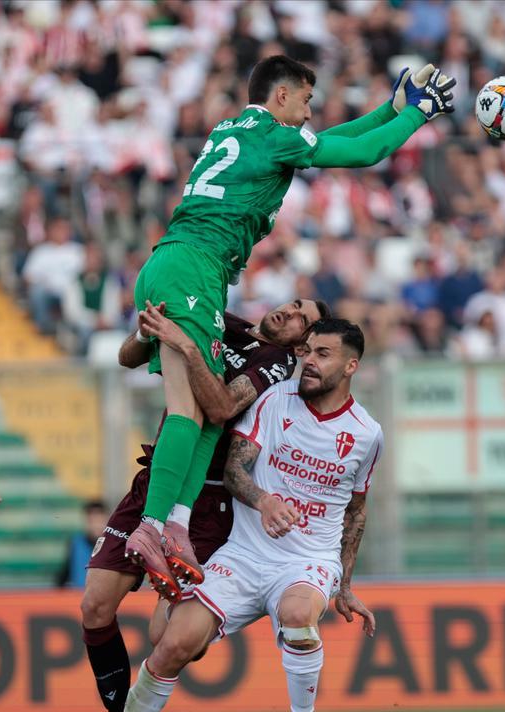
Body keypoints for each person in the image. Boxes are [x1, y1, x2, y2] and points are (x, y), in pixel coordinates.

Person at [123, 55, 454, 598]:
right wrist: (417, 116)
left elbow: (326, 142)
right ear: (282, 98)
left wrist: (389, 108)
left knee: (208, 412)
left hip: (183, 264)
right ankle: (151, 527)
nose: (308, 112)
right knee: (188, 408)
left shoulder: (241, 129)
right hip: (193, 267)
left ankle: (176, 525)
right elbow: (361, 152)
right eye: (304, 101)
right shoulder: (275, 135)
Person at [88, 318, 379, 712]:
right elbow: (235, 470)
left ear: (350, 366)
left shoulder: (367, 433)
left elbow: (356, 512)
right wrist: (264, 501)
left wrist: (345, 585)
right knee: (170, 643)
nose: (309, 361)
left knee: (300, 617)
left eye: (324, 354)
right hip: (244, 553)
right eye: (308, 351)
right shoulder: (272, 400)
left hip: (308, 560)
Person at [55, 501, 107, 589]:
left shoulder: (116, 545)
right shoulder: (75, 543)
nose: (96, 525)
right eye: (92, 521)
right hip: (80, 597)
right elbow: (65, 573)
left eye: (99, 520)